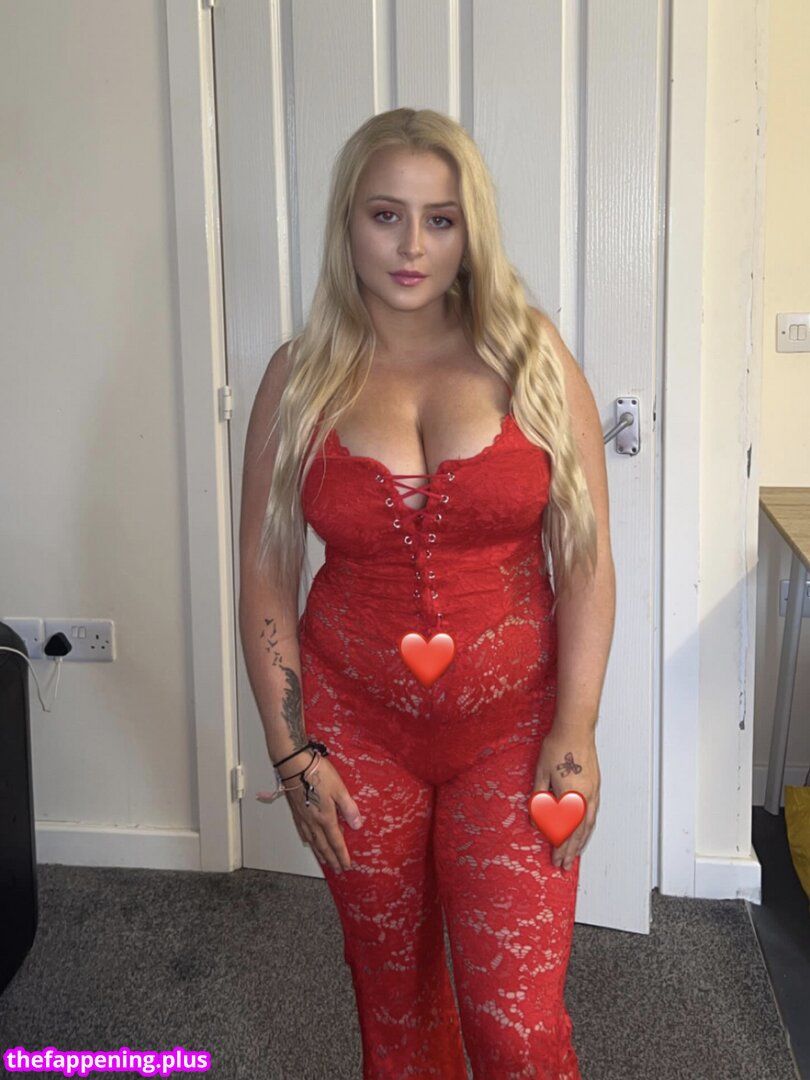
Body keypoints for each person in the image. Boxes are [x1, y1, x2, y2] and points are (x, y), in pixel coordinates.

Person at [239, 107, 616, 1080]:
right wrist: (291, 750)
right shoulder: (297, 379)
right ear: (347, 223)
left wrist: (575, 729)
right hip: (353, 732)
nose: (412, 246)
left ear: (469, 229)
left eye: (440, 220)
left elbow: (584, 559)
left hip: (513, 729)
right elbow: (266, 577)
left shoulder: (530, 356)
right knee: (397, 1016)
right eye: (386, 215)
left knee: (518, 1032)